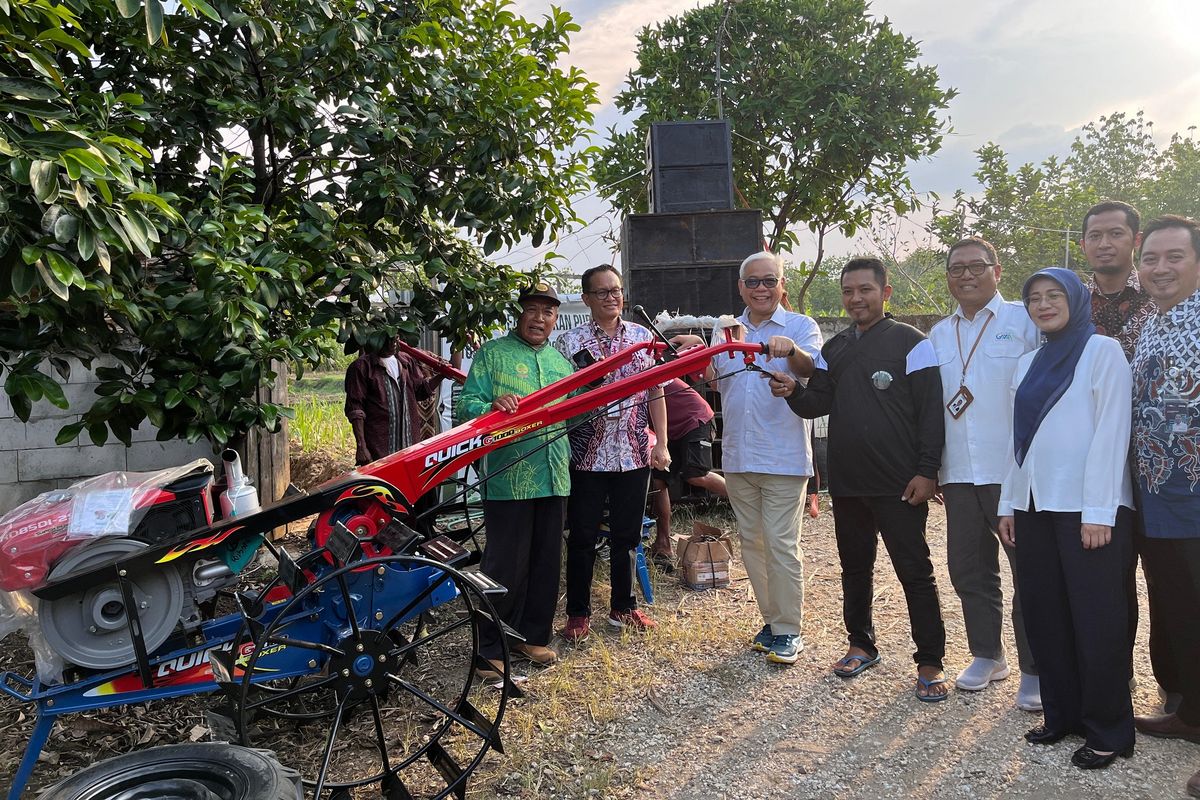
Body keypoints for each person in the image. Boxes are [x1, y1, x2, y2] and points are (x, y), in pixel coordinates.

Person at [772, 257, 948, 698]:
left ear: (886, 293)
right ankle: (861, 643)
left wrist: (928, 472)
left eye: (865, 290)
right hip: (848, 482)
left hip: (899, 484)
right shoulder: (836, 348)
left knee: (915, 571)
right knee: (855, 568)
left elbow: (931, 414)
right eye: (848, 291)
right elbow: (819, 403)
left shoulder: (914, 343)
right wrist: (794, 392)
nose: (856, 299)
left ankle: (930, 661)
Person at [997, 267, 1135, 770]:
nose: (1043, 305)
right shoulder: (1028, 362)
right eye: (1034, 298)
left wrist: (1100, 511)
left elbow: (1111, 432)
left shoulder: (1103, 351)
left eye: (1054, 295)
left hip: (1086, 510)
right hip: (1034, 505)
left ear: (1077, 300)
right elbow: (1017, 440)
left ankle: (1108, 729)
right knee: (1045, 612)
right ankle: (1063, 715)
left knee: (1096, 619)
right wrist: (1008, 504)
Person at [671, 251, 820, 666]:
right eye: (752, 282)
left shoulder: (800, 326)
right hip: (738, 457)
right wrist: (699, 351)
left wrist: (789, 352)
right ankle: (772, 622)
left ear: (782, 285)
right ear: (741, 287)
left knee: (781, 543)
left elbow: (813, 367)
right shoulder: (727, 331)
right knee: (753, 544)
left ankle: (790, 629)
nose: (761, 289)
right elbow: (715, 380)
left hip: (784, 458)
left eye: (769, 281)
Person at [928, 237, 1041, 709]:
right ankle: (987, 654)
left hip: (1013, 471)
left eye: (977, 266)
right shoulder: (937, 334)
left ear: (997, 269)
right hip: (958, 471)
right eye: (957, 268)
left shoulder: (1025, 321)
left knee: (1028, 572)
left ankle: (1037, 667)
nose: (967, 275)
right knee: (969, 568)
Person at [456, 282, 574, 676]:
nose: (539, 318)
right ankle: (489, 648)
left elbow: (574, 414)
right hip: (509, 479)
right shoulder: (492, 355)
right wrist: (491, 405)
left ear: (555, 319)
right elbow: (465, 406)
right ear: (519, 313)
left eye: (548, 312)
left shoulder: (562, 363)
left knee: (546, 561)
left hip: (555, 475)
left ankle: (531, 638)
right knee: (505, 564)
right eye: (533, 310)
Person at [554, 265, 670, 640]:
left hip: (634, 453)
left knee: (628, 536)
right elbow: (560, 397)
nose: (611, 297)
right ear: (586, 298)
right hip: (587, 455)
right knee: (583, 536)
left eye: (616, 290)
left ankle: (624, 607)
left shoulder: (641, 337)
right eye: (601, 292)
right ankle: (577, 613)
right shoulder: (569, 343)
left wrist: (662, 444)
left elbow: (656, 391)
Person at [1128, 216, 1200, 759]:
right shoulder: (1151, 321)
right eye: (1150, 258)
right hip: (1158, 492)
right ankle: (1191, 714)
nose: (1160, 268)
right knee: (1178, 605)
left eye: (1174, 256)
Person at [648, 377, 728, 572]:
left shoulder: (647, 369)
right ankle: (663, 545)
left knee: (695, 475)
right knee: (659, 481)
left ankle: (748, 500)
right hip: (671, 432)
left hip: (695, 419)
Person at [345, 334, 444, 465]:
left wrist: (442, 375)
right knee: (383, 484)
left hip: (409, 446)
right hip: (378, 450)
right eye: (388, 338)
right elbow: (355, 409)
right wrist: (361, 446)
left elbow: (420, 392)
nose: (393, 342)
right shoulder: (361, 367)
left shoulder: (406, 361)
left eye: (395, 337)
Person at [1083, 200, 1154, 360]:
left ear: (1137, 240)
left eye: (1116, 234)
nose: (1104, 244)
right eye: (1094, 236)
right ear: (1083, 245)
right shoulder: (1073, 303)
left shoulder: (1159, 297)